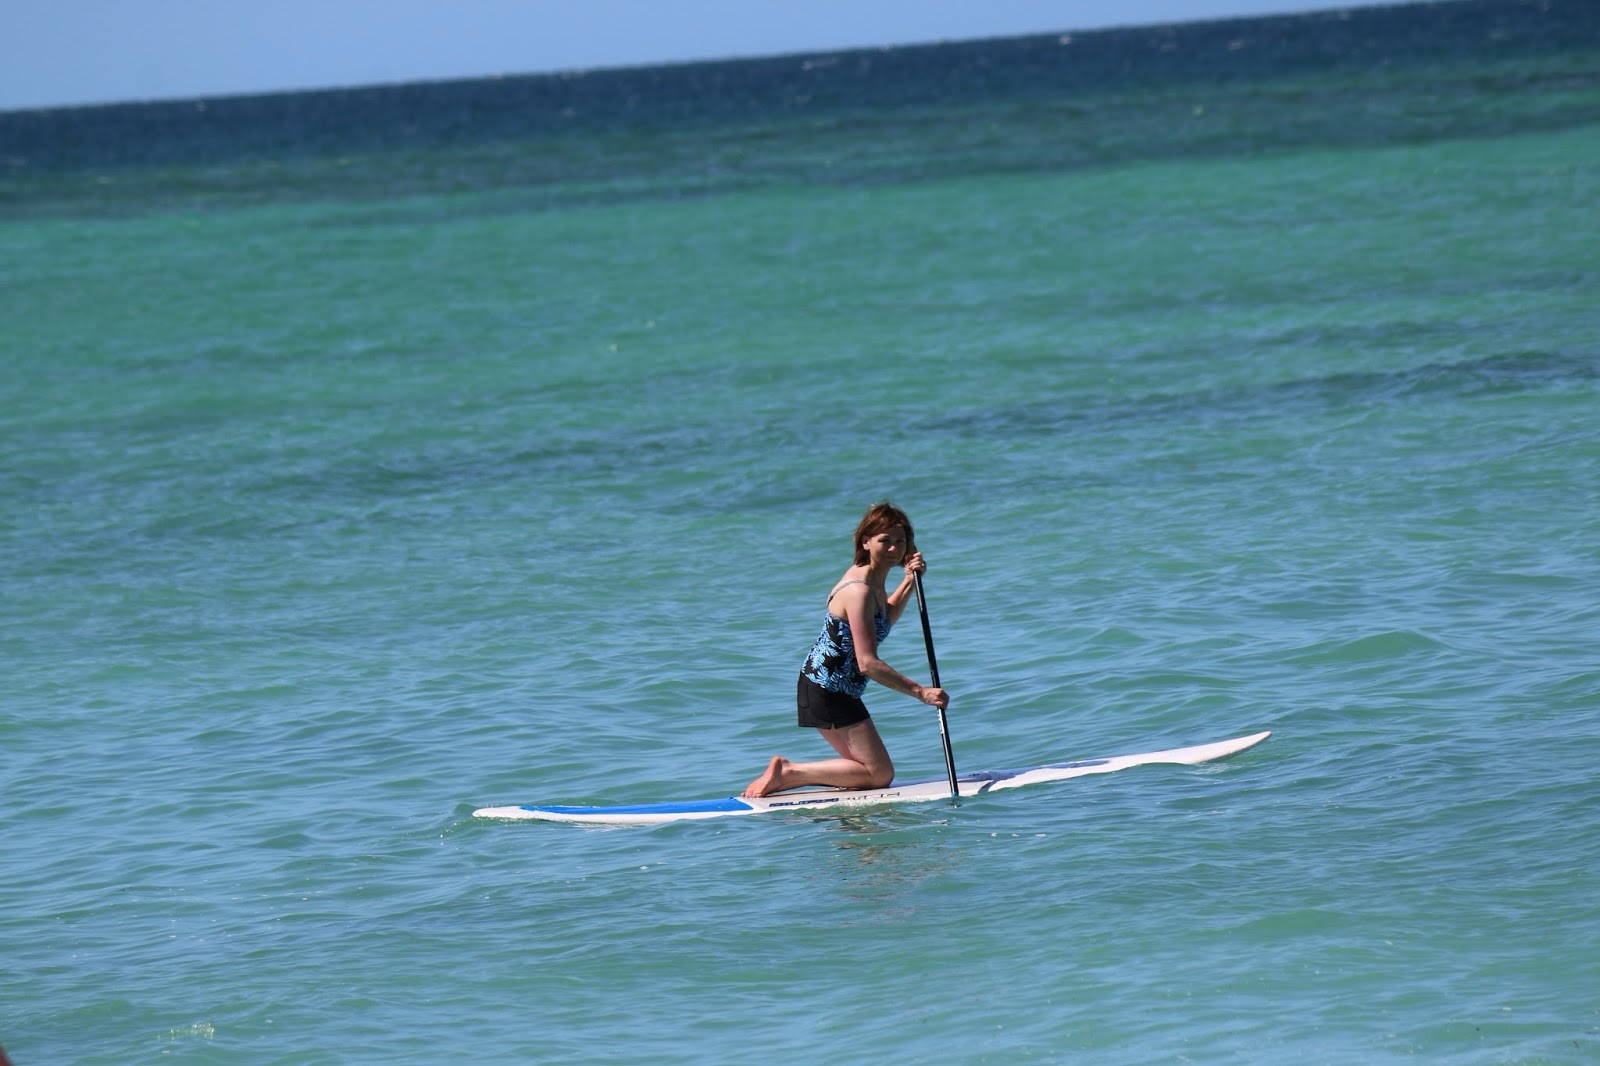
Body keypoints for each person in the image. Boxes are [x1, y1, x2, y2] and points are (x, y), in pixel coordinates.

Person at [743, 502, 951, 798]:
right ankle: (789, 772)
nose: (894, 548)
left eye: (900, 541)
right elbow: (867, 663)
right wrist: (921, 692)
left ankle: (788, 777)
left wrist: (908, 581)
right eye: (885, 541)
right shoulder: (858, 590)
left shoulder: (874, 580)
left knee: (876, 773)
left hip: (840, 690)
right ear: (866, 542)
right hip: (825, 690)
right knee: (879, 774)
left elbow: (883, 620)